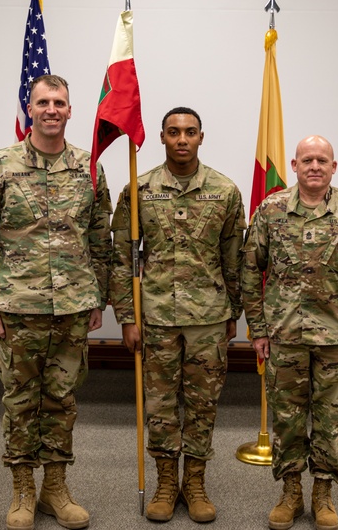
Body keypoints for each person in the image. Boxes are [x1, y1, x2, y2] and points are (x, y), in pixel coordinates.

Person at [0, 74, 112, 530]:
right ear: (30, 108)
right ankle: (23, 489)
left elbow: (100, 239)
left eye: (60, 103)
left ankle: (56, 488)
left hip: (71, 308)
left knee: (62, 400)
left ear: (71, 111)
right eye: (43, 101)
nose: (52, 109)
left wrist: (98, 299)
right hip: (18, 308)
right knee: (20, 401)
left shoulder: (89, 168)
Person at [241, 135, 338, 530]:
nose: (314, 166)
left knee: (330, 420)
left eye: (322, 160)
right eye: (307, 159)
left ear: (333, 167)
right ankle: (290, 492)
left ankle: (323, 493)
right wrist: (257, 328)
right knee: (288, 419)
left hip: (337, 339)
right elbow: (248, 270)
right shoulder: (271, 209)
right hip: (284, 336)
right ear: (293, 165)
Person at [110, 107, 246, 523]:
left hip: (208, 316)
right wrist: (127, 317)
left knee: (204, 404)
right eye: (173, 132)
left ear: (202, 137)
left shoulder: (224, 191)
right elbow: (122, 259)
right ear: (162, 138)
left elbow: (234, 259)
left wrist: (233, 312)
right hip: (156, 316)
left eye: (190, 132)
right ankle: (167, 482)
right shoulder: (139, 190)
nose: (182, 139)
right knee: (161, 405)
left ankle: (196, 481)